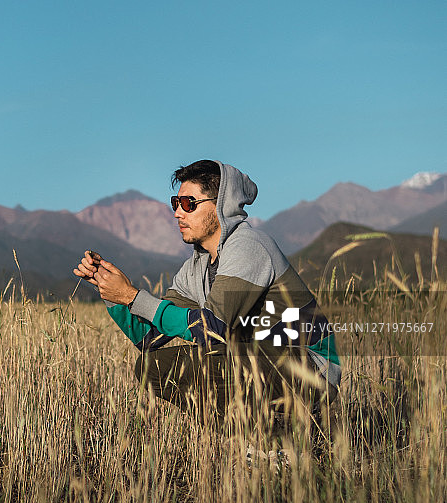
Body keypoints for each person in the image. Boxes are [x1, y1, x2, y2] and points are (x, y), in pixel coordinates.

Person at [74, 160, 340, 421]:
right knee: (152, 367)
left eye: (188, 204)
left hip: (312, 368)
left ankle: (280, 439)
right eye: (175, 204)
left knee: (214, 364)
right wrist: (112, 293)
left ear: (221, 204)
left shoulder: (249, 247)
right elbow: (149, 337)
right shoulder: (195, 268)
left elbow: (213, 328)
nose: (178, 213)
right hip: (258, 359)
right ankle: (250, 440)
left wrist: (132, 296)